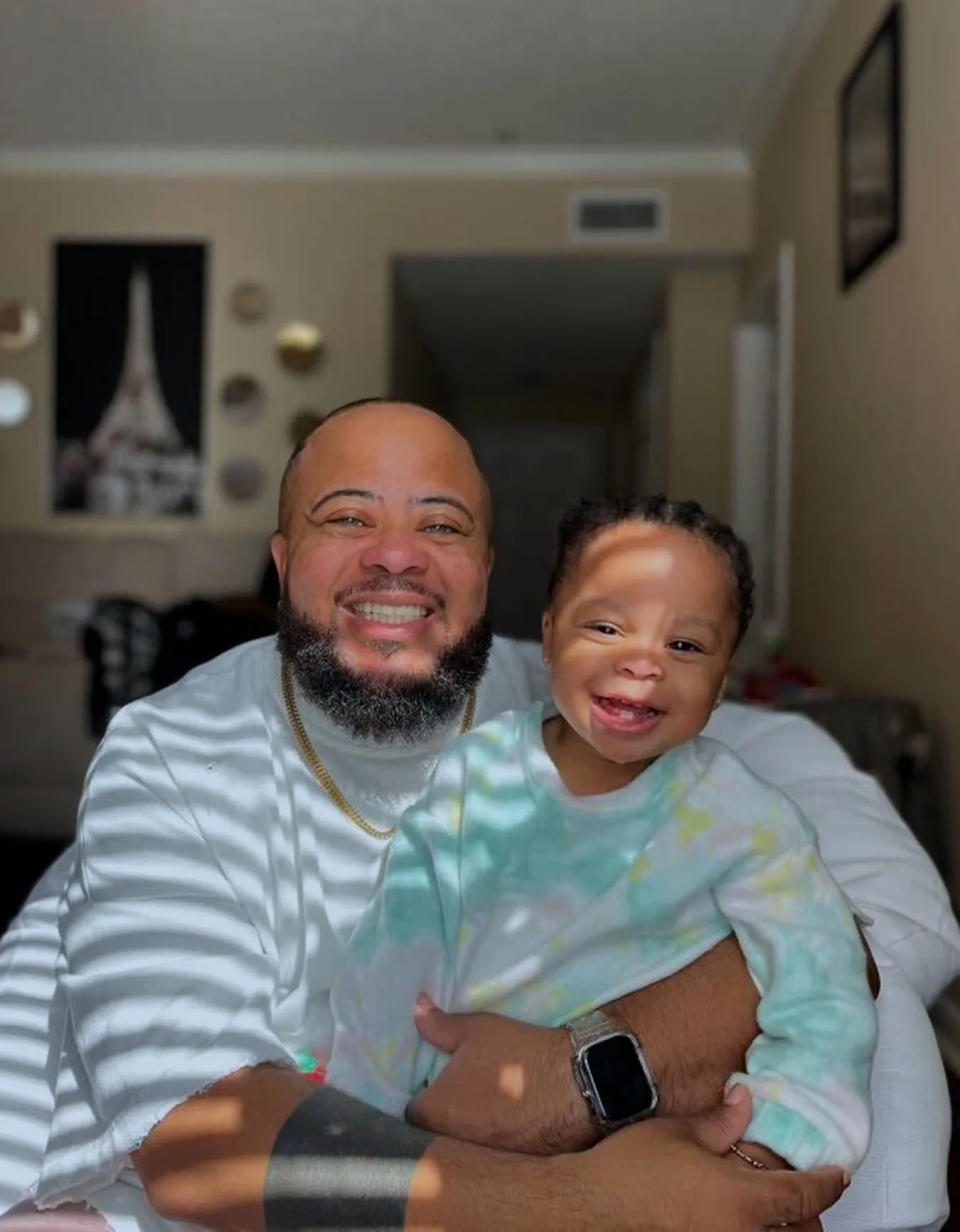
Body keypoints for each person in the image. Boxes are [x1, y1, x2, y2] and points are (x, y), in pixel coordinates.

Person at [0, 400, 955, 1232]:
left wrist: (578, 1073)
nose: (397, 556)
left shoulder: (598, 692)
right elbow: (203, 1140)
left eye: (443, 526)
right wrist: (594, 1206)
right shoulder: (173, 752)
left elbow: (876, 920)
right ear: (282, 560)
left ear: (491, 574)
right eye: (347, 516)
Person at [326, 496, 877, 1174]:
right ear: (551, 633)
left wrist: (780, 1140)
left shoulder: (743, 819)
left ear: (722, 680)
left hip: (648, 1156)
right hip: (461, 1135)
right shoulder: (479, 777)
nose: (644, 663)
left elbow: (825, 988)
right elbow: (393, 952)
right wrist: (362, 1125)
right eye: (608, 627)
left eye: (685, 645)